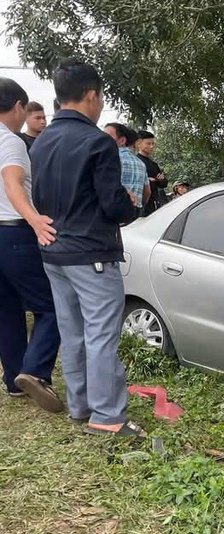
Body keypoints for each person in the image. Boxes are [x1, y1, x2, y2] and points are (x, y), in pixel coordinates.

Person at [30, 60, 144, 437]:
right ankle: (108, 415)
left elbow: (40, 195)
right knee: (100, 335)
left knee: (72, 330)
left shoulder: (41, 140)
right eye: (101, 98)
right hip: (91, 253)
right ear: (92, 96)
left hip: (54, 251)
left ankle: (80, 407)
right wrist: (129, 203)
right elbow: (113, 206)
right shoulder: (97, 142)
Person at [0, 78, 62, 412]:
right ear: (19, 107)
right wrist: (34, 218)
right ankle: (34, 372)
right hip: (13, 234)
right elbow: (12, 183)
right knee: (51, 305)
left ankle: (14, 382)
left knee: (6, 310)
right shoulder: (10, 142)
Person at [104, 123, 149, 211]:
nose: (102, 138)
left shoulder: (110, 159)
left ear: (122, 140)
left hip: (113, 215)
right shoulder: (141, 164)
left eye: (107, 136)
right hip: (136, 213)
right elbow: (147, 192)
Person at [136, 130, 167, 215]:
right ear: (139, 144)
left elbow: (164, 183)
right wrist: (148, 180)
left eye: (153, 144)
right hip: (139, 205)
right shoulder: (135, 162)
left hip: (154, 204)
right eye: (148, 144)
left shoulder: (154, 164)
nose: (151, 146)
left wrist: (159, 180)